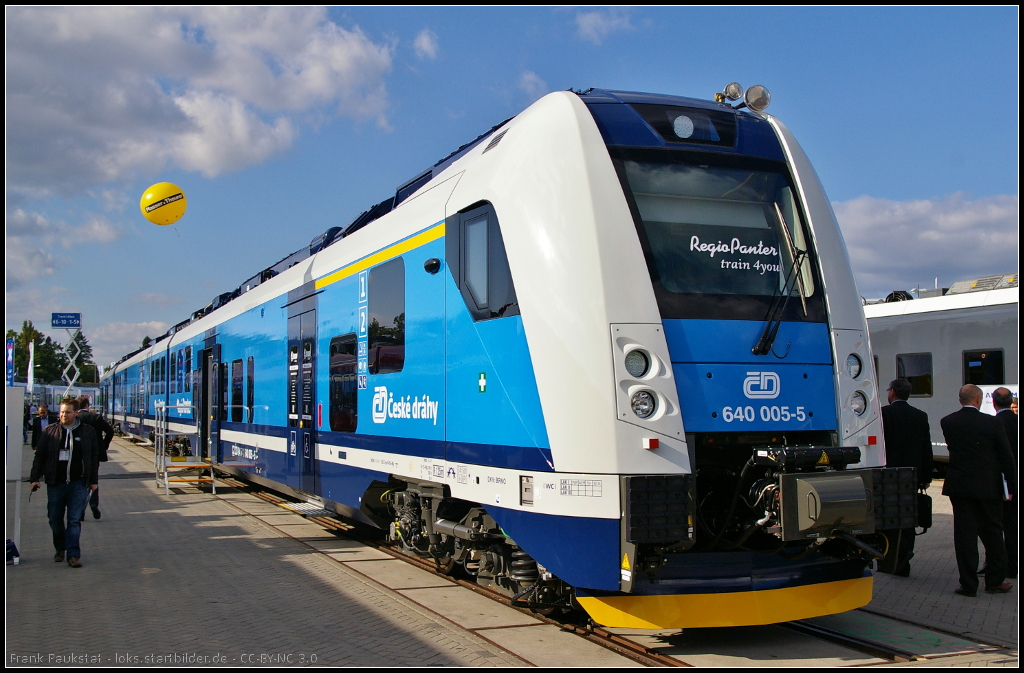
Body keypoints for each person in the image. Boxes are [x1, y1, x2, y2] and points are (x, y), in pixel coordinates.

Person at [940, 384, 1016, 597]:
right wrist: (1010, 486)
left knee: (964, 536)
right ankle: (994, 581)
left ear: (960, 400)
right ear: (979, 400)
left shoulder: (948, 422)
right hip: (988, 487)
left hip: (960, 487)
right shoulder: (992, 423)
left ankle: (968, 584)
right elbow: (1006, 457)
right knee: (993, 532)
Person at [29, 398, 100, 568]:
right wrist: (34, 479)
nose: (63, 415)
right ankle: (60, 548)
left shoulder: (87, 432)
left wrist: (93, 481)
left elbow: (93, 458)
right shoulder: (50, 431)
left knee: (74, 520)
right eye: (61, 412)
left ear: (76, 413)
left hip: (78, 483)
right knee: (54, 519)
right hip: (56, 483)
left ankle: (73, 555)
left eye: (67, 412)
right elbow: (40, 456)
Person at [880, 378, 933, 577]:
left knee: (888, 517)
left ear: (892, 392)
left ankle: (889, 558)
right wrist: (926, 476)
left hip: (888, 476)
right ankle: (905, 559)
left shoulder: (884, 413)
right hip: (911, 476)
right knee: (908, 518)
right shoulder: (920, 416)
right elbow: (926, 448)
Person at [979, 387, 1018, 579]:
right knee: (1012, 525)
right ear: (1011, 402)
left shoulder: (993, 423)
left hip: (997, 482)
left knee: (993, 526)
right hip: (1015, 481)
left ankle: (994, 563)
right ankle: (1013, 565)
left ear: (993, 403)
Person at [77, 396, 114, 520]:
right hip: (94, 454)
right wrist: (103, 446)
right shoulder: (96, 417)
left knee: (80, 481)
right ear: (87, 405)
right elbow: (110, 431)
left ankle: (81, 510)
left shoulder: (76, 418)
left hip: (77, 454)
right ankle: (93, 503)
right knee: (93, 479)